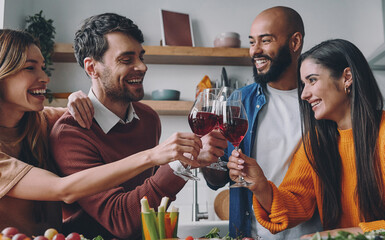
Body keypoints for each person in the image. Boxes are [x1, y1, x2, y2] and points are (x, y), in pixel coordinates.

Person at [0, 29, 202, 237]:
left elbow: (99, 112)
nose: (44, 77)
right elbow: (63, 189)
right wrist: (153, 155)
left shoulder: (40, 121)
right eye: (30, 68)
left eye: (42, 68)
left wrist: (75, 98)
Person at [49, 13, 220, 240]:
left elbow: (149, 196)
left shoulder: (148, 118)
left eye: (140, 56)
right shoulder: (71, 134)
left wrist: (190, 160)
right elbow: (120, 220)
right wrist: (179, 164)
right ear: (92, 68)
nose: (142, 66)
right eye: (126, 59)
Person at [228, 39, 385, 238]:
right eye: (303, 84)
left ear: (347, 77)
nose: (304, 94)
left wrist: (338, 235)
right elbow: (296, 203)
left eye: (312, 80)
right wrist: (260, 185)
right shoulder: (317, 142)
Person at [201, 6, 322, 239]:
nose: (255, 51)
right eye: (252, 42)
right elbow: (219, 178)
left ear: (295, 42)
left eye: (265, 41)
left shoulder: (321, 99)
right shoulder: (239, 101)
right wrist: (209, 159)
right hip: (252, 235)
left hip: (313, 234)